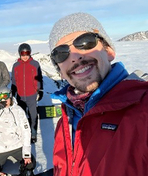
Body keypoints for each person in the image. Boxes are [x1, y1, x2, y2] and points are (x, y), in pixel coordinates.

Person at [49, 12, 148, 176]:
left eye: (85, 42)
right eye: (61, 53)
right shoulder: (65, 122)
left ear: (109, 51)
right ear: (60, 71)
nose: (75, 57)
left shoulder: (143, 108)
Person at [0, 86, 36, 176]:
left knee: (31, 164)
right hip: (0, 147)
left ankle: (23, 169)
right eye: (0, 98)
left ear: (10, 96)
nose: (4, 101)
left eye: (6, 97)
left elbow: (26, 131)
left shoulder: (18, 110)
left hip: (17, 145)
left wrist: (26, 154)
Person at [11, 43, 43, 143]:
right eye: (23, 54)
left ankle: (33, 133)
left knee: (33, 115)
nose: (25, 56)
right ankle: (24, 133)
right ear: (19, 54)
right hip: (20, 96)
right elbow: (14, 80)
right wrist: (13, 92)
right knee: (22, 116)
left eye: (27, 53)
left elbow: (39, 78)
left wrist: (40, 90)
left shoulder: (35, 64)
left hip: (32, 95)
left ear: (30, 53)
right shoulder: (16, 65)